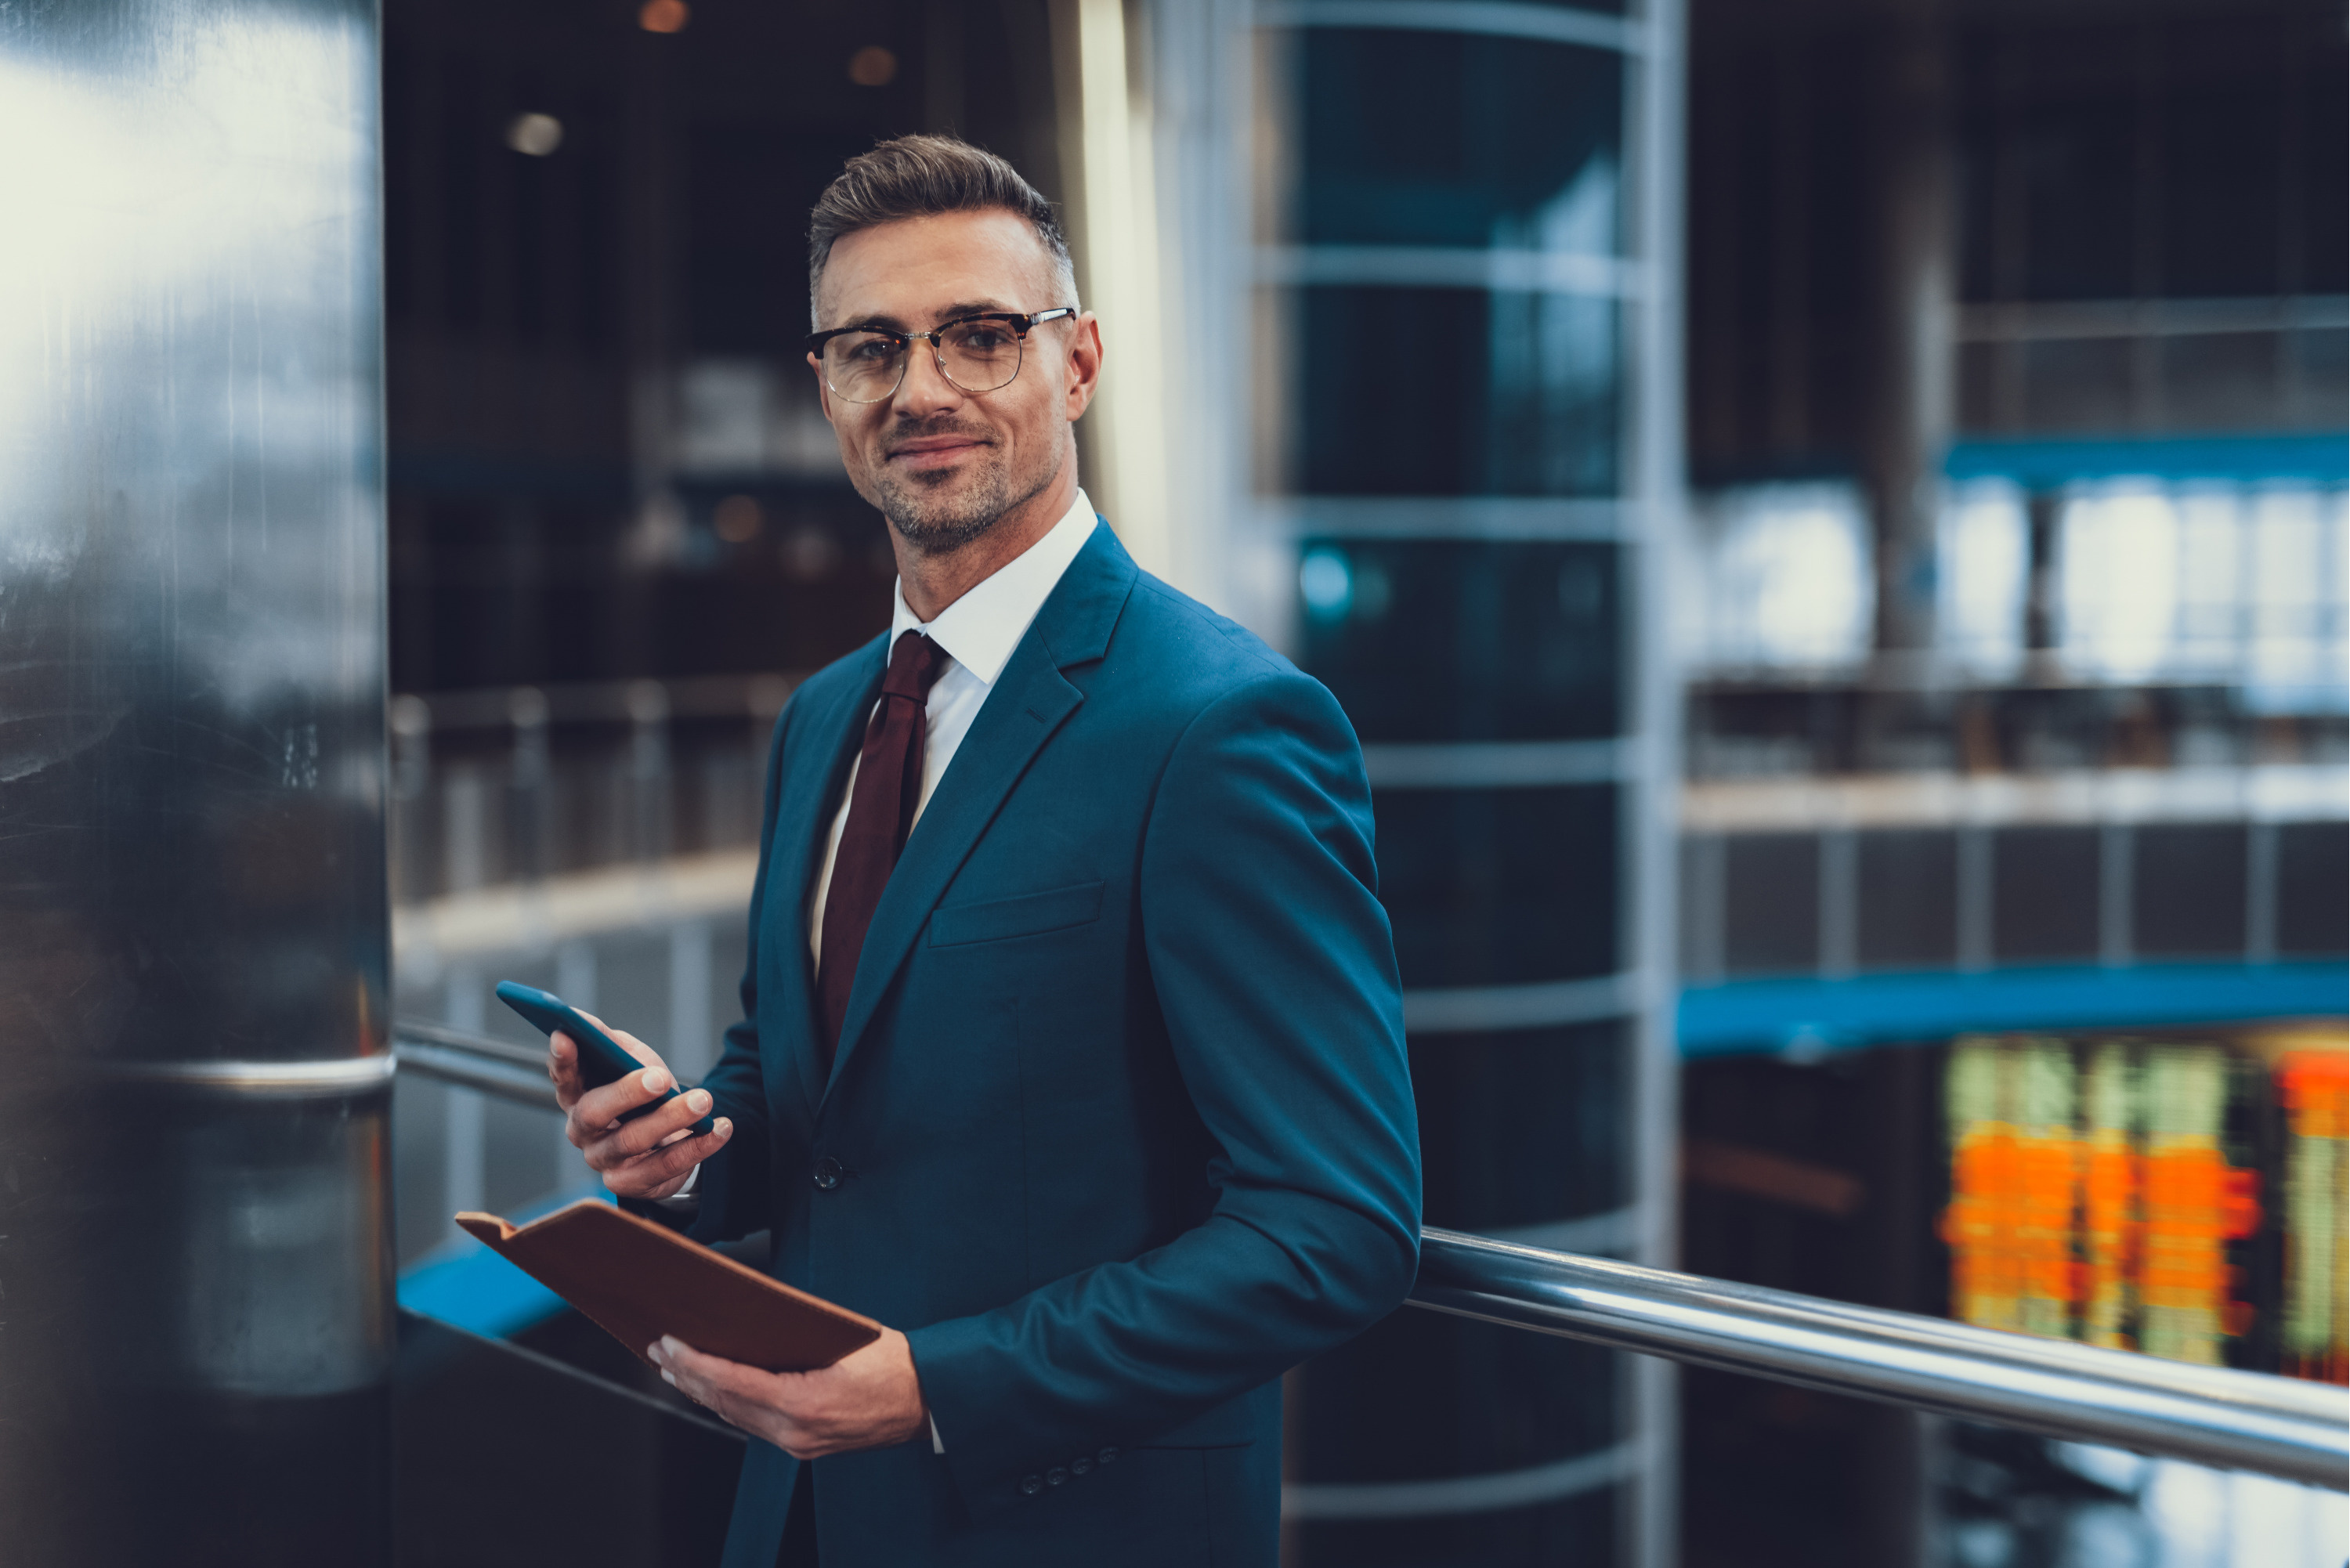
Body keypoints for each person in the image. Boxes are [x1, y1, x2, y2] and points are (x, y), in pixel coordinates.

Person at [545, 135, 1420, 1568]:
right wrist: (686, 1152)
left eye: (980, 337)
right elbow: (804, 1101)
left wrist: (942, 1389)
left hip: (1075, 1525)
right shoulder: (827, 714)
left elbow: (1337, 1224)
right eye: (871, 348)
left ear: (1076, 366)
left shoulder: (1226, 724)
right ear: (825, 385)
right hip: (801, 1519)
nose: (923, 389)